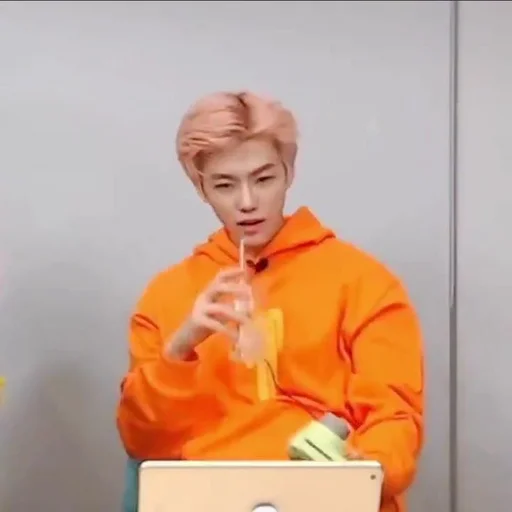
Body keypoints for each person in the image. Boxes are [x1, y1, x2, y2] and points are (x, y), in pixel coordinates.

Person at [116, 91, 424, 512]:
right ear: (200, 188)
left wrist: (364, 468)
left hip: (328, 499)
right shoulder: (167, 294)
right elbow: (142, 443)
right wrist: (181, 347)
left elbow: (394, 417)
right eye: (225, 185)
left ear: (288, 172)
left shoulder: (364, 282)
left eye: (263, 179)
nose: (247, 202)